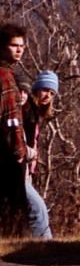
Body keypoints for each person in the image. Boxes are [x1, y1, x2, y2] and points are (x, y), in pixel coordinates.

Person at [20, 70, 56, 239]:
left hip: (25, 169)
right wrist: (29, 152)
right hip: (17, 167)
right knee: (38, 208)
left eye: (51, 92)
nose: (47, 95)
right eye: (44, 89)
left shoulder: (35, 113)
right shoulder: (27, 110)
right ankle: (45, 245)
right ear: (35, 90)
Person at [0, 22, 28, 232]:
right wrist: (19, 149)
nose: (19, 50)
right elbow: (11, 119)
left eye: (22, 46)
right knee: (14, 207)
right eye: (14, 45)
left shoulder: (11, 75)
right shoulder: (5, 77)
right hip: (5, 151)